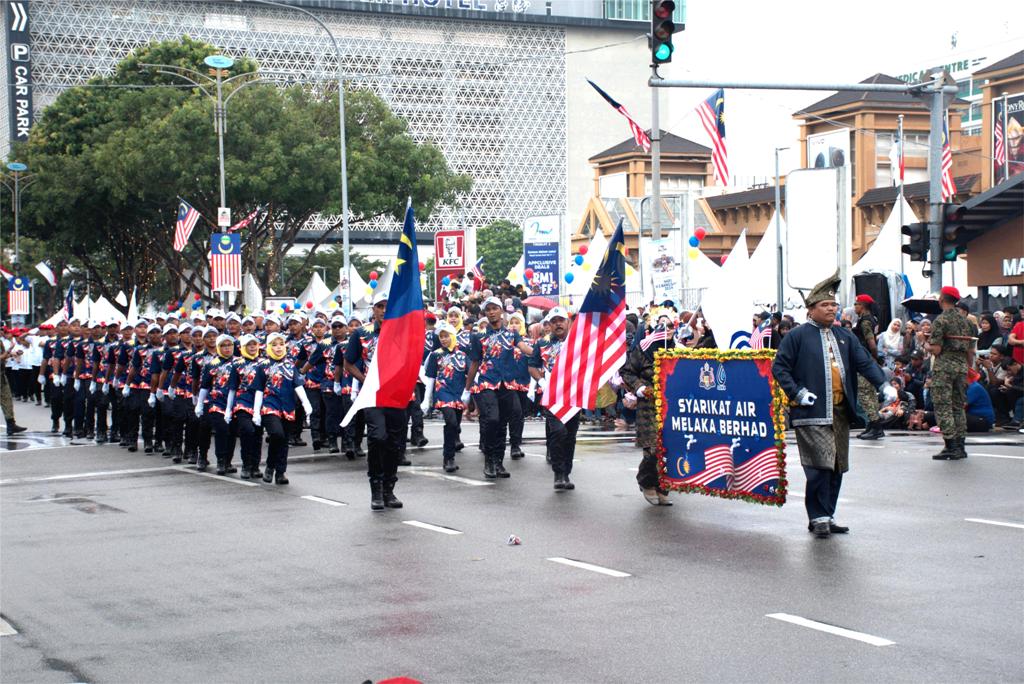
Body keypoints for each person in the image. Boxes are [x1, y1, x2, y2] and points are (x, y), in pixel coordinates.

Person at [772, 271, 894, 538]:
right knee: (819, 466)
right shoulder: (797, 336)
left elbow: (864, 362)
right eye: (825, 305)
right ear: (811, 309)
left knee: (837, 466)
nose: (831, 309)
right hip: (811, 412)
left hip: (840, 412)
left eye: (834, 305)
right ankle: (817, 517)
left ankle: (827, 514)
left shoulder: (844, 336)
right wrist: (797, 393)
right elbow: (780, 368)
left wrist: (883, 384)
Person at [345, 292, 407, 509]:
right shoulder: (362, 334)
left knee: (395, 443)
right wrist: (366, 381)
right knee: (377, 437)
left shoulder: (402, 332)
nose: (383, 310)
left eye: (387, 306)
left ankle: (389, 488)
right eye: (379, 306)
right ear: (373, 309)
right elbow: (349, 363)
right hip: (372, 396)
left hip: (396, 395)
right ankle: (376, 488)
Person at [465, 296, 534, 478]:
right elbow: (474, 363)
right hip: (487, 382)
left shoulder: (512, 333)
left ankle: (499, 462)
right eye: (488, 310)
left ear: (501, 311)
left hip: (507, 384)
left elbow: (524, 347)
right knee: (492, 419)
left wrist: (540, 354)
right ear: (485, 314)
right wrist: (467, 390)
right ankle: (489, 460)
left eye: (495, 308)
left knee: (503, 423)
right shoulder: (478, 337)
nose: (492, 312)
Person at [620, 323, 675, 505]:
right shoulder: (643, 349)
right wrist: (639, 387)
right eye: (665, 326)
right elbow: (627, 371)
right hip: (649, 405)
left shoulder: (677, 349)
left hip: (672, 405)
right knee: (653, 449)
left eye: (671, 326)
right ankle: (646, 482)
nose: (669, 330)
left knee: (670, 449)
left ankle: (662, 487)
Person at [529, 307, 580, 490]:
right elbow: (532, 366)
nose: (558, 324)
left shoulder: (578, 343)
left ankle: (566, 473)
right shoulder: (542, 344)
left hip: (573, 396)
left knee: (570, 436)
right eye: (554, 321)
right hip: (551, 397)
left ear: (568, 322)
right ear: (549, 325)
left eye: (561, 320)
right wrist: (542, 382)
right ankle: (558, 473)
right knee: (558, 432)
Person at [256, 332, 313, 485]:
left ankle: (280, 472)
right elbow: (259, 390)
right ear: (268, 347)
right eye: (274, 345)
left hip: (287, 407)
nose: (278, 348)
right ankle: (269, 466)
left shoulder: (290, 365)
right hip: (270, 405)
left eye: (281, 344)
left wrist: (307, 404)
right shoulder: (263, 366)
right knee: (277, 434)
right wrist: (256, 412)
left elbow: (298, 385)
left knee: (284, 439)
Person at [928, 286, 977, 460]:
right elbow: (971, 351)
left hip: (944, 367)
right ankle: (961, 446)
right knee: (958, 406)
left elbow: (936, 348)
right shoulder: (968, 322)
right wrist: (968, 368)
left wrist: (924, 343)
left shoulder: (941, 321)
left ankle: (950, 445)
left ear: (942, 299)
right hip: (962, 366)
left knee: (943, 406)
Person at [421, 322, 469, 473]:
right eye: (441, 336)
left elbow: (472, 373)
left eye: (446, 336)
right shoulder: (435, 355)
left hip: (459, 393)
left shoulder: (463, 355)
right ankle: (448, 458)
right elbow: (430, 378)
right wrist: (426, 400)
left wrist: (469, 393)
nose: (443, 339)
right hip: (443, 392)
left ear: (453, 336)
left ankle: (451, 451)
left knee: (455, 426)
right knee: (450, 421)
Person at [231, 334, 266, 479]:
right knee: (247, 430)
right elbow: (233, 387)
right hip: (243, 401)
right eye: (249, 345)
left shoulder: (265, 363)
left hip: (260, 403)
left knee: (257, 433)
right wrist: (228, 409)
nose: (252, 347)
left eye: (254, 344)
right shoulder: (237, 364)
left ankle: (255, 465)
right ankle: (246, 465)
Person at [852, 294, 885, 441]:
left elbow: (871, 343)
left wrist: (874, 358)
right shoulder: (872, 319)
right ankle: (873, 425)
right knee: (871, 394)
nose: (855, 307)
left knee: (865, 394)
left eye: (856, 304)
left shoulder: (865, 322)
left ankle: (876, 426)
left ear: (862, 305)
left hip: (864, 362)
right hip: (867, 361)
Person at [0, 329, 27, 434]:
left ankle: (11, 425)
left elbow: (3, 357)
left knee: (7, 400)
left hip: (2, 374)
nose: (2, 332)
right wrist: (9, 351)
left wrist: (12, 354)